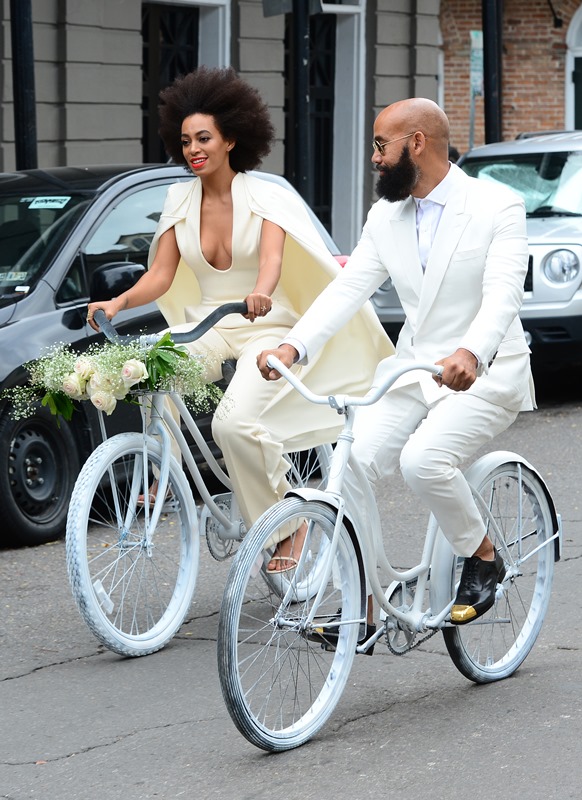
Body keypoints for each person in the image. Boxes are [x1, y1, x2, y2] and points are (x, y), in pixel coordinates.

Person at [86, 66, 393, 571]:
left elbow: (271, 260)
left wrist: (261, 292)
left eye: (203, 138)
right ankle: (166, 467)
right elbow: (161, 275)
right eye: (185, 141)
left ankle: (289, 526)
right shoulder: (178, 201)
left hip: (269, 328)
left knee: (233, 425)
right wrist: (117, 303)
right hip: (209, 325)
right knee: (152, 362)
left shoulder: (266, 196)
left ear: (230, 139)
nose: (193, 149)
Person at [258, 97, 534, 623]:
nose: (374, 158)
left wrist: (471, 351)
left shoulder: (497, 206)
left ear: (417, 143)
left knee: (422, 461)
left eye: (381, 145)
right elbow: (348, 290)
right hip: (413, 371)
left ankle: (482, 555)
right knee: (349, 462)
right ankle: (364, 606)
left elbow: (503, 295)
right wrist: (293, 346)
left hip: (484, 372)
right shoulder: (385, 215)